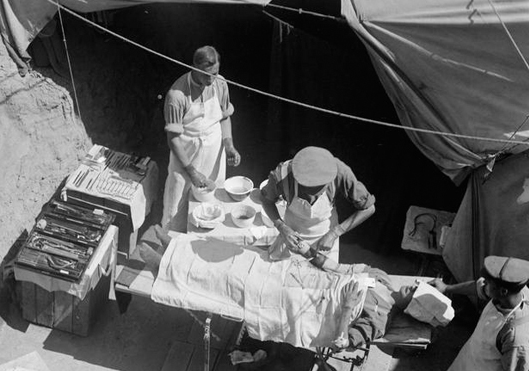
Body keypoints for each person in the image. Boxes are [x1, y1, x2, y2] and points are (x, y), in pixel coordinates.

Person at [135, 225, 411, 351]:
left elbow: (341, 343)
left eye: (417, 292)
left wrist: (349, 307)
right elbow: (338, 269)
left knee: (232, 282)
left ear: (416, 309)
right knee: (241, 258)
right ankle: (177, 245)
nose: (413, 286)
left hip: (298, 305)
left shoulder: (378, 321)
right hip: (302, 276)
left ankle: (165, 268)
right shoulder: (382, 278)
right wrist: (308, 253)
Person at [161, 46, 242, 232]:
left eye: (215, 73)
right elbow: (173, 139)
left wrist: (229, 145)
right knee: (176, 210)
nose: (211, 79)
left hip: (214, 159)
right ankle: (168, 253)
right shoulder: (177, 95)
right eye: (207, 75)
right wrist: (192, 172)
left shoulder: (220, 84)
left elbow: (225, 117)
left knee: (212, 207)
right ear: (194, 67)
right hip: (186, 161)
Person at [260, 146, 375, 266]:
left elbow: (369, 208)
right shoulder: (282, 174)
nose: (314, 194)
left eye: (320, 188)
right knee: (282, 271)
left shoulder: (340, 171)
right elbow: (265, 200)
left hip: (324, 232)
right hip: (291, 231)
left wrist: (336, 232)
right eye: (307, 188)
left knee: (321, 275)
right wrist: (282, 227)